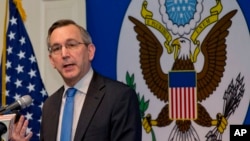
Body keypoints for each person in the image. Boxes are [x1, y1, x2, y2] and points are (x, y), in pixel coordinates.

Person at [11, 19, 142, 141]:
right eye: (56, 48)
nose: (64, 54)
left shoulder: (119, 97)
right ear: (52, 60)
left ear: (90, 51)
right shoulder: (49, 106)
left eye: (71, 45)